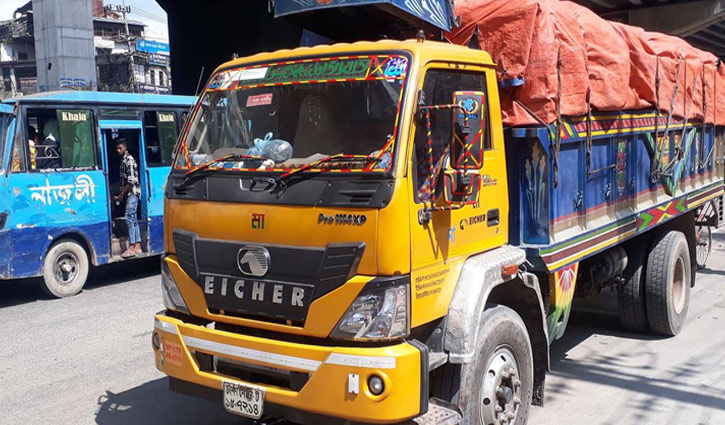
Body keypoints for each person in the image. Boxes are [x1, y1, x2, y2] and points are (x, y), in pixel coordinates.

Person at [114, 138, 142, 258]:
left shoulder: (129, 161)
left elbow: (130, 182)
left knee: (129, 219)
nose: (118, 150)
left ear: (125, 148)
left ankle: (131, 247)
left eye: (120, 148)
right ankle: (138, 246)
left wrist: (121, 195)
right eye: (117, 148)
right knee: (133, 219)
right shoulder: (123, 161)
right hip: (129, 194)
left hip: (132, 193)